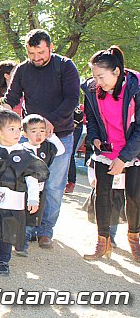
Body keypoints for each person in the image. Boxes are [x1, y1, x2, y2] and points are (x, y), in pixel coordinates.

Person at [3, 29, 80, 249]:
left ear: (51, 47)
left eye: (41, 52)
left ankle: (46, 230)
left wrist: (50, 123)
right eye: (32, 53)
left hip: (61, 134)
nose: (37, 58)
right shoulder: (23, 70)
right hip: (31, 136)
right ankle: (27, 228)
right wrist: (5, 116)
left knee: (55, 186)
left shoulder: (65, 66)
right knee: (29, 183)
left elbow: (72, 99)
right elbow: (12, 98)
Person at [0, 110, 49, 276]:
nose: (17, 132)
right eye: (11, 129)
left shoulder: (25, 154)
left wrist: (33, 199)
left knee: (9, 232)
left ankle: (4, 262)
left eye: (19, 128)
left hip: (15, 202)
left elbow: (32, 179)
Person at [81, 46, 140, 261]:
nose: (98, 82)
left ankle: (135, 239)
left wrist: (123, 159)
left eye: (101, 76)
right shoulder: (91, 90)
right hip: (106, 151)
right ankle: (103, 242)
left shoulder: (136, 87)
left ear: (116, 71)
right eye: (95, 76)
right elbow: (93, 119)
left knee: (134, 197)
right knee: (102, 196)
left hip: (133, 151)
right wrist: (95, 139)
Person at [18, 114, 65, 256]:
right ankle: (21, 242)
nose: (38, 134)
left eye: (42, 131)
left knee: (34, 214)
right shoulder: (21, 149)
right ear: (25, 133)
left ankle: (28, 236)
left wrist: (51, 136)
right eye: (34, 131)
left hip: (39, 189)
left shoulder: (47, 148)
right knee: (21, 214)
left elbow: (61, 150)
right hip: (22, 189)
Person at [65, 104, 85, 193]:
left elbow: (79, 113)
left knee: (70, 153)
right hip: (62, 125)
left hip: (75, 124)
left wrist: (73, 125)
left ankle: (71, 182)